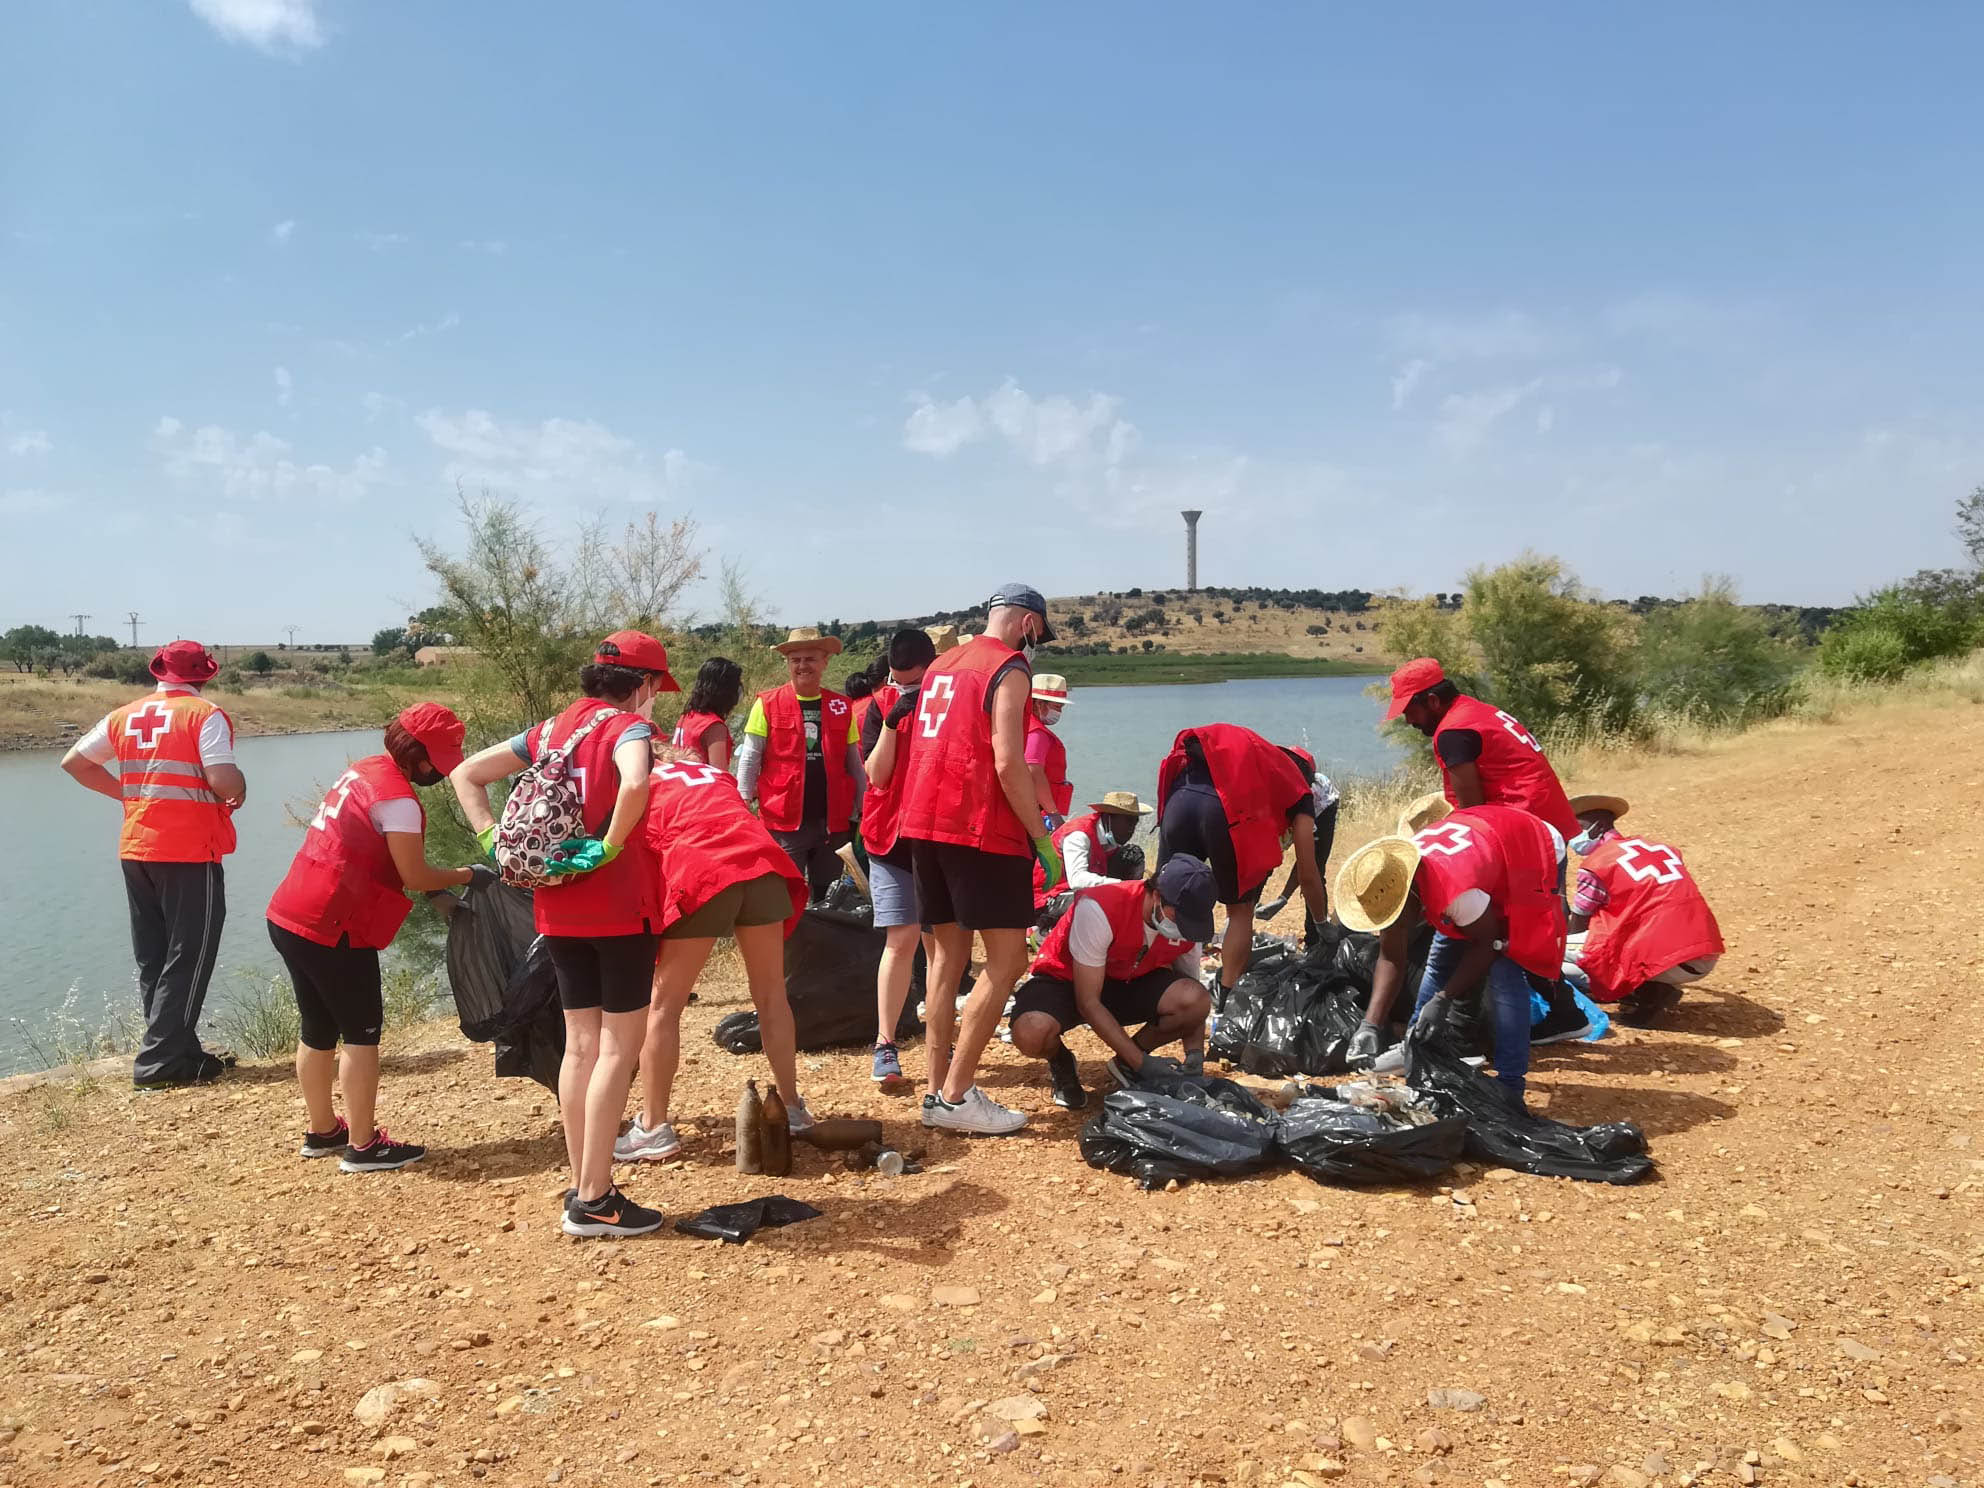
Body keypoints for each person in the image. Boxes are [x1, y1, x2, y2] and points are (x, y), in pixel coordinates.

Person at [452, 631, 674, 1239]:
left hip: (556, 909)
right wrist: (607, 847)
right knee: (618, 1048)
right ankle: (596, 1198)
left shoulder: (552, 729)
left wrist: (490, 842)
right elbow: (634, 783)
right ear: (646, 685)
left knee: (580, 1046)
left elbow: (467, 774)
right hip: (621, 909)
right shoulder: (627, 729)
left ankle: (584, 1181)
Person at [266, 704, 481, 1172]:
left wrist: (436, 890)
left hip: (291, 913)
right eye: (437, 762)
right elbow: (415, 873)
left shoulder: (365, 770)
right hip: (335, 925)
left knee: (317, 1029)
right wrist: (467, 874)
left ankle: (323, 1131)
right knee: (361, 1035)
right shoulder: (400, 799)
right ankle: (363, 1147)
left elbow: (373, 850)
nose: (439, 773)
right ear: (417, 754)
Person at [896, 582, 1064, 1135]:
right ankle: (957, 1093)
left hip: (924, 822)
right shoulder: (1009, 666)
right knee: (1008, 959)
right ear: (1028, 624)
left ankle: (934, 1090)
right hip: (980, 828)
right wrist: (1039, 833)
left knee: (946, 959)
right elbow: (1008, 760)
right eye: (1039, 632)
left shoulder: (944, 663)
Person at [60, 640, 248, 1089]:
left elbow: (75, 763)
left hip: (136, 847)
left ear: (159, 671)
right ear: (205, 674)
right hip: (187, 850)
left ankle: (176, 1050)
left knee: (156, 955)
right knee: (191, 951)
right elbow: (222, 780)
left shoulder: (125, 715)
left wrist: (128, 795)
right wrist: (239, 786)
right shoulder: (205, 716)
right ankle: (159, 1062)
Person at [615, 746, 812, 1163]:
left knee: (663, 1008)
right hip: (761, 866)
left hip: (704, 873)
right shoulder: (710, 772)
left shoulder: (638, 785)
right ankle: (792, 1109)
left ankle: (653, 1127)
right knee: (772, 997)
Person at [1339, 803, 1568, 1098]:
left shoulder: (1456, 893)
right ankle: (1415, 1046)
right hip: (1483, 848)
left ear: (1412, 899)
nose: (1390, 925)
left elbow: (1488, 945)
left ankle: (1511, 1085)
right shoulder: (1395, 882)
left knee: (1506, 970)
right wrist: (1370, 1024)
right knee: (1441, 955)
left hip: (1531, 848)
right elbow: (1391, 955)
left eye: (1393, 916)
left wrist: (1443, 998)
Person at [1010, 855, 1218, 1110]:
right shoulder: (1100, 907)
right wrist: (1142, 1063)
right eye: (1179, 917)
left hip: (1129, 981)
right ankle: (1061, 1061)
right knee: (1031, 1032)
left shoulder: (1187, 927)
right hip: (1068, 980)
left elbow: (1192, 991)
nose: (1183, 927)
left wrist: (1194, 1059)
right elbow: (1088, 1002)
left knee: (1195, 1000)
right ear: (1156, 895)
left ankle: (1123, 1065)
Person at [1154, 724, 1330, 997]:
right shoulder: (1300, 791)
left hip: (1181, 797)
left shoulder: (1251, 763)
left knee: (1165, 892)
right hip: (1221, 813)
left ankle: (1150, 976)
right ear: (1307, 778)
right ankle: (1225, 995)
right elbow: (1309, 871)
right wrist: (1321, 924)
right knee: (1240, 911)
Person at [858, 628, 940, 1089]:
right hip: (888, 838)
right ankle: (885, 1044)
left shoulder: (949, 703)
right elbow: (876, 775)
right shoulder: (879, 704)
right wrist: (892, 721)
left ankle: (938, 1036)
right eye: (898, 680)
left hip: (936, 837)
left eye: (914, 683)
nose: (905, 689)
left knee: (939, 941)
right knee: (902, 937)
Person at [1565, 793, 1724, 1025]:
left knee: (1554, 955)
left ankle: (1630, 992)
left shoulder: (1597, 864)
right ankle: (1651, 988)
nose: (1573, 838)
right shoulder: (1658, 848)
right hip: (1702, 951)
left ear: (1598, 827)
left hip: (1667, 958)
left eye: (1577, 828)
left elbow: (1579, 922)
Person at [736, 627, 864, 903]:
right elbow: (750, 757)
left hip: (833, 822)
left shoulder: (842, 706)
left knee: (827, 894)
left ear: (825, 662)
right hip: (784, 821)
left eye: (810, 659)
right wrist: (743, 801)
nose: (803, 666)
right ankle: (785, 946)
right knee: (784, 894)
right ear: (788, 663)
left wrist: (864, 808)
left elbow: (854, 762)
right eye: (796, 660)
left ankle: (820, 945)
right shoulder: (767, 704)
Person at [1383, 659, 1579, 839]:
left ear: (1433, 701)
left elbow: (1472, 810)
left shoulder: (1454, 731)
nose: (1409, 721)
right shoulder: (1474, 710)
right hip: (1552, 818)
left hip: (1526, 827)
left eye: (1410, 712)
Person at [1033, 789, 1153, 926]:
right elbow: (1077, 880)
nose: (1132, 829)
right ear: (1109, 817)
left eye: (1135, 822)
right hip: (1048, 899)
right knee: (1095, 899)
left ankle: (1130, 909)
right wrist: (1123, 886)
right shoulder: (1079, 835)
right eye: (1128, 821)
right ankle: (1043, 929)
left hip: (1075, 890)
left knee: (1132, 855)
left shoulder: (1108, 837)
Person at [672, 656, 742, 770]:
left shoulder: (686, 717)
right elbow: (718, 773)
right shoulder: (714, 726)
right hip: (701, 786)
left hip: (679, 783)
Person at [1025, 674, 1074, 829]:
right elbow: (1033, 770)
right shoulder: (1036, 733)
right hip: (1039, 815)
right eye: (1057, 707)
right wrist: (1053, 815)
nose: (1059, 713)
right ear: (1039, 703)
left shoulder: (1022, 724)